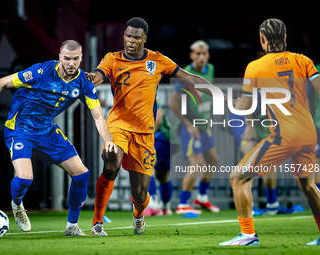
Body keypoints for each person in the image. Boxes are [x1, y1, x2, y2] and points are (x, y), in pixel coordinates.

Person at [86, 17, 225, 236]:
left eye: (136, 37)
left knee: (140, 194)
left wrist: (219, 94)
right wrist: (90, 78)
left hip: (145, 133)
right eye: (128, 36)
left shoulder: (157, 60)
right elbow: (98, 75)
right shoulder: (112, 59)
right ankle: (97, 222)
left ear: (145, 39)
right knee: (111, 163)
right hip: (119, 125)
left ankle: (139, 214)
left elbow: (190, 78)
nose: (131, 41)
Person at [0, 40, 117, 236]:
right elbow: (0, 83)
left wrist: (108, 140)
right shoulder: (41, 72)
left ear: (81, 58)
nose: (71, 63)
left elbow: (98, 117)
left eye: (75, 59)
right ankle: (17, 204)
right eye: (67, 59)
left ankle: (71, 227)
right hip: (20, 129)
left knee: (82, 175)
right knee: (25, 178)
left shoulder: (83, 82)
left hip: (47, 131)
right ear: (60, 57)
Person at [220, 18, 320, 246]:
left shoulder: (255, 67)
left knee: (238, 177)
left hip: (284, 136)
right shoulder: (302, 60)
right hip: (308, 134)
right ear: (285, 37)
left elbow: (244, 107)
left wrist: (230, 101)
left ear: (262, 39)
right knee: (309, 185)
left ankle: (247, 235)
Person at [169, 40, 219, 214]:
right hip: (190, 128)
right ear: (191, 55)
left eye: (204, 53)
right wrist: (189, 125)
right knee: (197, 163)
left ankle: (202, 199)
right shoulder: (185, 75)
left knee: (213, 160)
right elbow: (173, 104)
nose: (201, 57)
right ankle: (183, 204)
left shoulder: (210, 69)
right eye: (198, 54)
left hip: (204, 126)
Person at [144, 105, 180, 216]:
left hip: (160, 138)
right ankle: (166, 207)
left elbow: (159, 113)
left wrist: (150, 134)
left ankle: (152, 203)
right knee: (162, 176)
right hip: (169, 140)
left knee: (147, 165)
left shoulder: (146, 92)